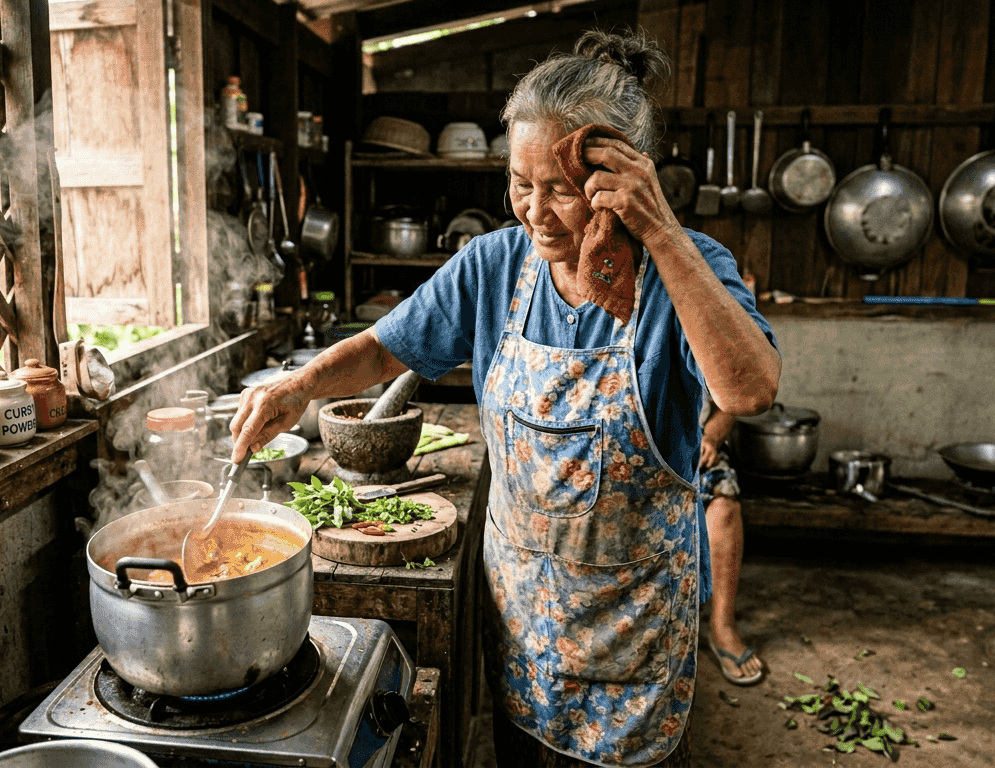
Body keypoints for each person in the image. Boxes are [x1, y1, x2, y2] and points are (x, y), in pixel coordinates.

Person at [229, 27, 779, 768]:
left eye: (562, 188)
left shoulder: (688, 267)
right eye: (522, 184)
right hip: (522, 622)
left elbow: (748, 389)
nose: (536, 211)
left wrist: (660, 229)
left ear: (625, 180)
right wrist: (297, 386)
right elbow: (388, 345)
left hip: (634, 630)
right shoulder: (493, 265)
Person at [697, 395, 765, 686]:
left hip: (694, 448)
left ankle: (722, 626)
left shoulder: (705, 347)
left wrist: (709, 440)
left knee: (725, 507)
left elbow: (727, 405)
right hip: (634, 448)